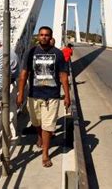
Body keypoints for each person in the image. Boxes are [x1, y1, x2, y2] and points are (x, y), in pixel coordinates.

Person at [17, 26, 70, 167]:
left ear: (51, 36)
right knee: (37, 123)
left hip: (51, 96)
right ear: (38, 37)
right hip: (34, 95)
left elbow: (63, 76)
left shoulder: (58, 54)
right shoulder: (30, 53)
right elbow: (24, 75)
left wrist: (67, 96)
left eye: (47, 35)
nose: (44, 37)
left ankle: (45, 154)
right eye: (41, 35)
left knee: (48, 126)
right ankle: (40, 136)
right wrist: (21, 94)